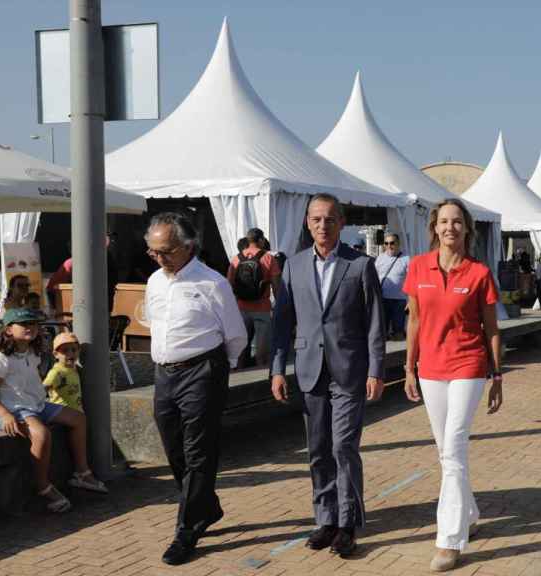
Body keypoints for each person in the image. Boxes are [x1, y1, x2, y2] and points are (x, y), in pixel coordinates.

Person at [270, 193, 385, 559]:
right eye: (316, 219)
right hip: (309, 370)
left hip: (349, 370)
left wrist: (376, 370)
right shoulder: (293, 266)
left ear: (341, 223)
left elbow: (375, 323)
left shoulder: (361, 265)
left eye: (330, 219)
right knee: (318, 449)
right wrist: (277, 369)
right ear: (307, 223)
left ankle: (347, 524)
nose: (323, 225)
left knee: (343, 447)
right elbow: (282, 323)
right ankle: (326, 518)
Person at [402, 199, 503, 571]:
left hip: (468, 366)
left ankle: (449, 540)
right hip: (430, 369)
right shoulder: (418, 267)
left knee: (455, 447)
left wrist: (497, 375)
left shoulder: (479, 273)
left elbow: (492, 328)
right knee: (446, 451)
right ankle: (469, 514)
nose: (450, 228)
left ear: (467, 228)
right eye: (443, 221)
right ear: (435, 227)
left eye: (457, 221)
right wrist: (409, 368)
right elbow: (414, 321)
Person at [144, 212, 247, 565]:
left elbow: (235, 334)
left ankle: (187, 530)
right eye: (153, 251)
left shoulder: (212, 283)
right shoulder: (154, 281)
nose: (160, 258)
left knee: (199, 452)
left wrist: (219, 370)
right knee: (174, 448)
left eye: (166, 251)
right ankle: (207, 506)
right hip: (165, 373)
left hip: (202, 371)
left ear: (189, 246)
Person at [0, 308, 108, 514]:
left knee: (78, 419)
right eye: (24, 324)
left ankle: (82, 473)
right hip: (9, 410)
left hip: (36, 405)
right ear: (9, 330)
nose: (30, 327)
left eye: (33, 324)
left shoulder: (33, 353)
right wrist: (5, 415)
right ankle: (42, 486)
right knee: (41, 434)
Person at [227, 228, 281, 367]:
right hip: (262, 308)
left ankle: (240, 373)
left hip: (242, 308)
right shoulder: (268, 258)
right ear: (261, 240)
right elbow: (276, 286)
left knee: (241, 349)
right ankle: (261, 373)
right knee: (262, 350)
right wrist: (279, 306)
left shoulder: (236, 259)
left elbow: (229, 285)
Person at [45, 234, 120, 314]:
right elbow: (52, 288)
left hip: (90, 306)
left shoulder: (73, 263)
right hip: (87, 306)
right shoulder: (72, 263)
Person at [375, 233, 410, 340]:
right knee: (382, 333)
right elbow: (373, 277)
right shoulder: (380, 258)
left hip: (399, 300)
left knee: (398, 333)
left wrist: (410, 300)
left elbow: (411, 280)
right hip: (383, 299)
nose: (389, 246)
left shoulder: (406, 259)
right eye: (386, 243)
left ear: (398, 243)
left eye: (392, 243)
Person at [43, 332, 83, 411]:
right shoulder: (57, 372)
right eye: (65, 351)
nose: (70, 353)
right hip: (61, 412)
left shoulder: (74, 368)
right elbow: (42, 389)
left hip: (76, 411)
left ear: (79, 351)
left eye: (74, 350)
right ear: (56, 354)